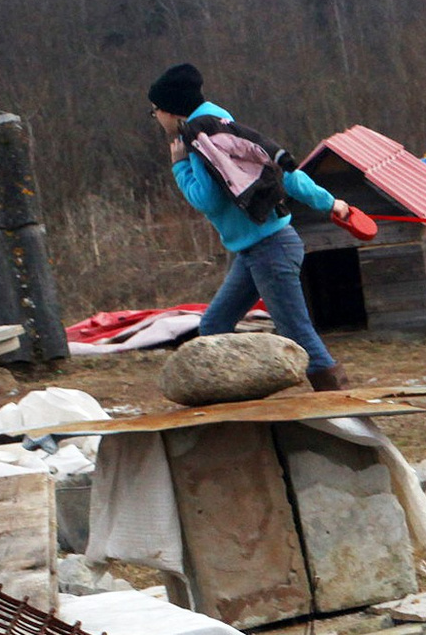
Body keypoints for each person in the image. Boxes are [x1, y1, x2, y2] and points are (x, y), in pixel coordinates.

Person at [147, 62, 361, 392]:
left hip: (271, 248)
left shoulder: (201, 138)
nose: (155, 119)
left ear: (172, 111)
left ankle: (346, 411)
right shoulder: (221, 127)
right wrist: (330, 202)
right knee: (215, 325)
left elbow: (208, 200)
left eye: (155, 111)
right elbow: (279, 170)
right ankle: (234, 403)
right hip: (254, 249)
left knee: (297, 332)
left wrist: (179, 166)